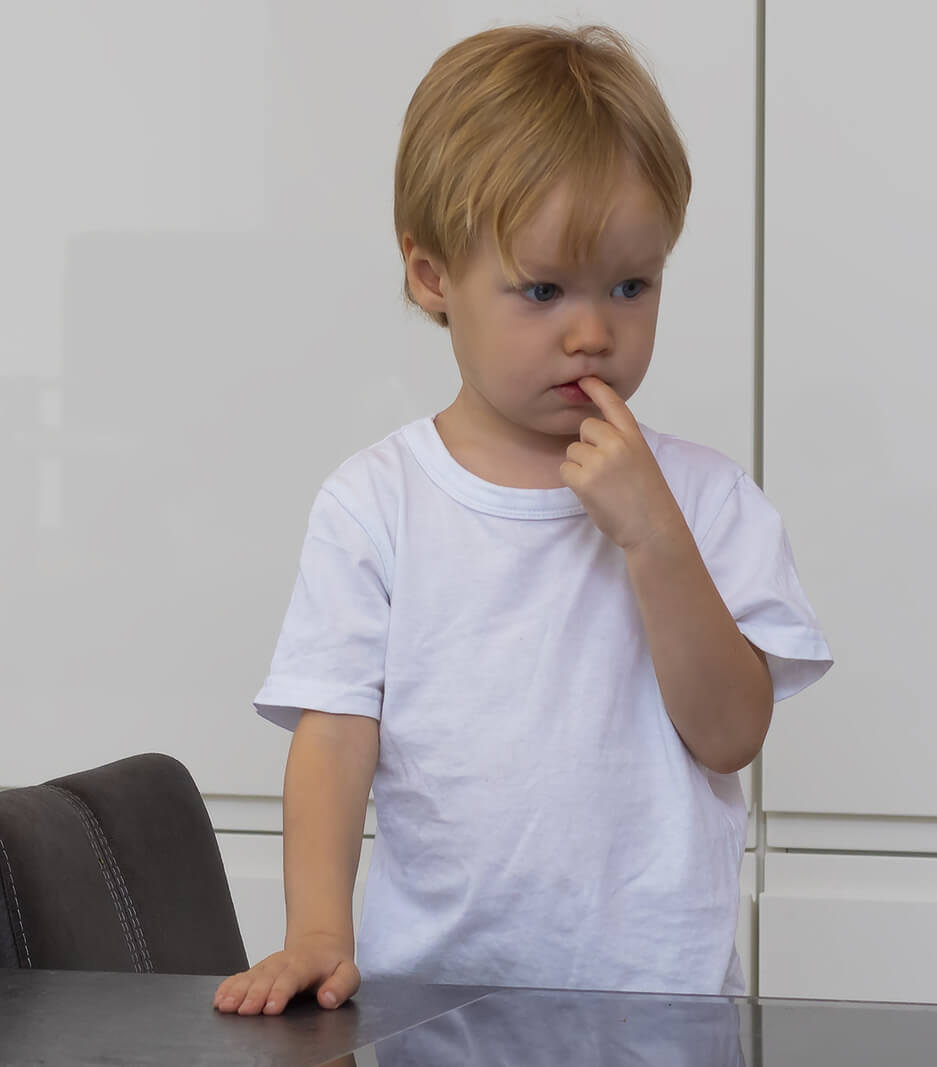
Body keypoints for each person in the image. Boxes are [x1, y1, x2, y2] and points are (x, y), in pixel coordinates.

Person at [212, 23, 831, 1017]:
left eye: (632, 284)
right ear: (431, 278)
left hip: (657, 1013)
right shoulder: (377, 503)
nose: (593, 330)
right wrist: (320, 934)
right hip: (431, 1007)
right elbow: (332, 738)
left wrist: (652, 536)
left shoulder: (710, 501)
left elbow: (729, 735)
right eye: (542, 289)